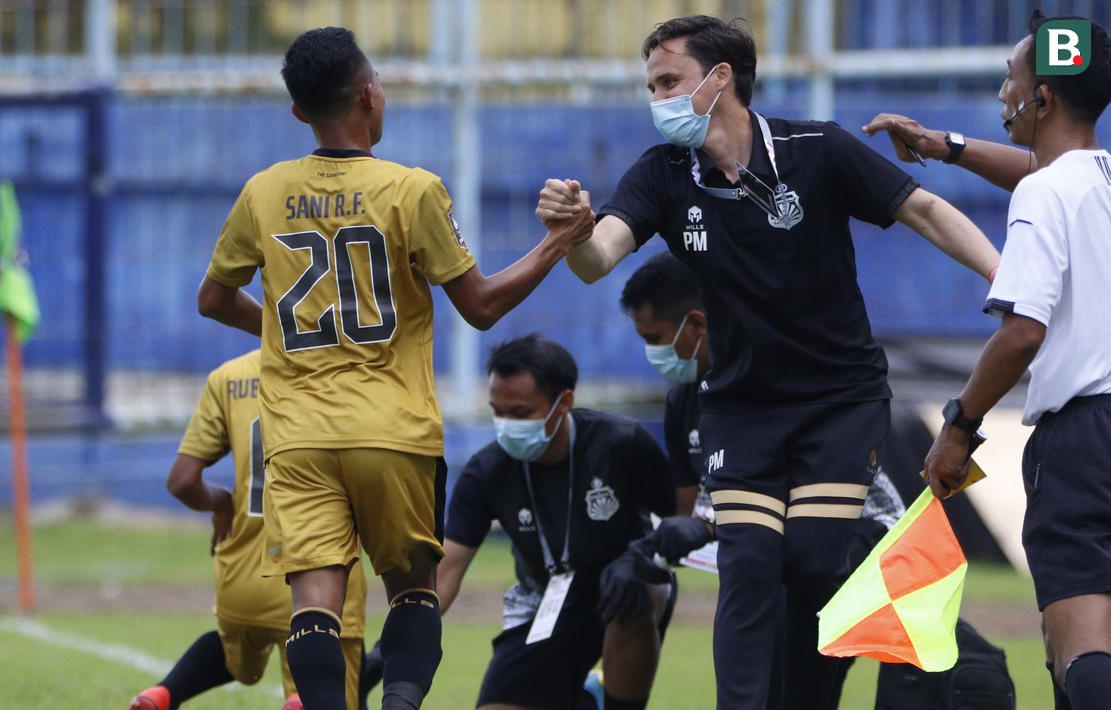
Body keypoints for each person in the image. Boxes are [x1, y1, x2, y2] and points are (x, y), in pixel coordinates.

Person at [534, 15, 1001, 710]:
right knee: (748, 564)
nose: (656, 97)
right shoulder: (663, 173)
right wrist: (569, 230)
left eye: (668, 81)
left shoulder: (817, 148)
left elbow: (927, 211)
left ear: (719, 78)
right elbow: (597, 258)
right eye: (650, 84)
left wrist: (1005, 280)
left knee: (814, 560)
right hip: (741, 406)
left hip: (838, 399)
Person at [196, 27, 594, 710]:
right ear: (370, 95)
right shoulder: (410, 190)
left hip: (299, 437)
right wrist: (558, 241)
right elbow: (481, 306)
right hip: (393, 431)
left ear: (298, 112)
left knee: (314, 601)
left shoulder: (263, 192)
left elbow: (212, 298)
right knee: (411, 589)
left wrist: (293, 334)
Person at [618, 252, 1015, 709]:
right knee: (770, 653)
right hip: (777, 550)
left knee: (956, 680)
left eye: (655, 339)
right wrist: (645, 555)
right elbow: (686, 518)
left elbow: (779, 496)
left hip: (861, 540)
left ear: (697, 324)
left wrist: (706, 525)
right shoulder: (683, 401)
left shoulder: (778, 372)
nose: (653, 354)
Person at [920, 13, 1111, 710]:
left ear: (1043, 99)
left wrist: (958, 424)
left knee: (1081, 655)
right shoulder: (1095, 179)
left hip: (1084, 441)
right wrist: (945, 147)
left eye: (1012, 77)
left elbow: (1021, 332)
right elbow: (1041, 171)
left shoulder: (1043, 192)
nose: (1003, 90)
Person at [436, 335, 676, 710]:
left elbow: (678, 523)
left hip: (626, 586)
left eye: (519, 413)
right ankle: (584, 700)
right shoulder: (486, 472)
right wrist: (393, 648)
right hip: (548, 599)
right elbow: (445, 570)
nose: (505, 427)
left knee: (637, 592)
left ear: (564, 402)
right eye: (497, 412)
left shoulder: (622, 444)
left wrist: (640, 560)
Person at [127, 349, 368, 710]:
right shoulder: (345, 371)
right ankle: (300, 700)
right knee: (330, 683)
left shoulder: (229, 376)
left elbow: (181, 481)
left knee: (231, 653)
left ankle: (163, 693)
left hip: (241, 578)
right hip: (317, 574)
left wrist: (221, 502)